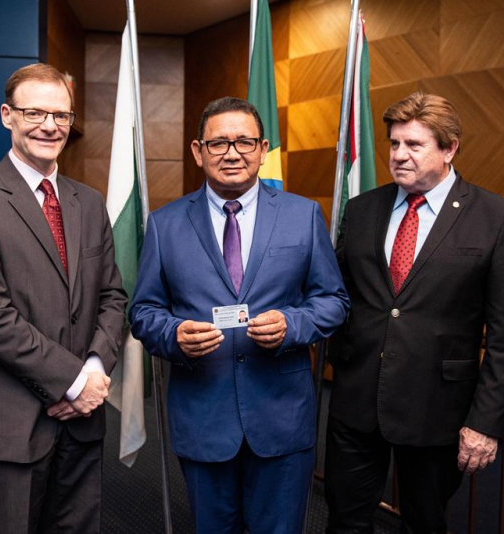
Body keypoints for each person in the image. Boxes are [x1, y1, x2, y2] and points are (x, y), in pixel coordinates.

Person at [129, 96, 349, 533]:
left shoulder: (303, 215)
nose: (232, 153)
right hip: (203, 415)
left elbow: (333, 300)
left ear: (263, 149)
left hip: (281, 416)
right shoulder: (164, 224)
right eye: (219, 143)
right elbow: (143, 310)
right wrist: (174, 335)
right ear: (198, 151)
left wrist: (292, 325)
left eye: (244, 142)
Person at [325, 92, 504, 533]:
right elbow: (338, 293)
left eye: (414, 145)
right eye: (394, 143)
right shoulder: (361, 210)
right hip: (356, 402)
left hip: (437, 411)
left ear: (449, 148)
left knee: (424, 524)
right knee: (344, 522)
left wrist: (484, 423)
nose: (399, 155)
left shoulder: (497, 219)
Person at [0, 63, 127, 533]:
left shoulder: (89, 202)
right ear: (8, 116)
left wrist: (93, 372)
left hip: (82, 424)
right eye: (35, 113)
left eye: (61, 115)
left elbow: (112, 296)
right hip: (10, 424)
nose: (49, 125)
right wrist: (74, 383)